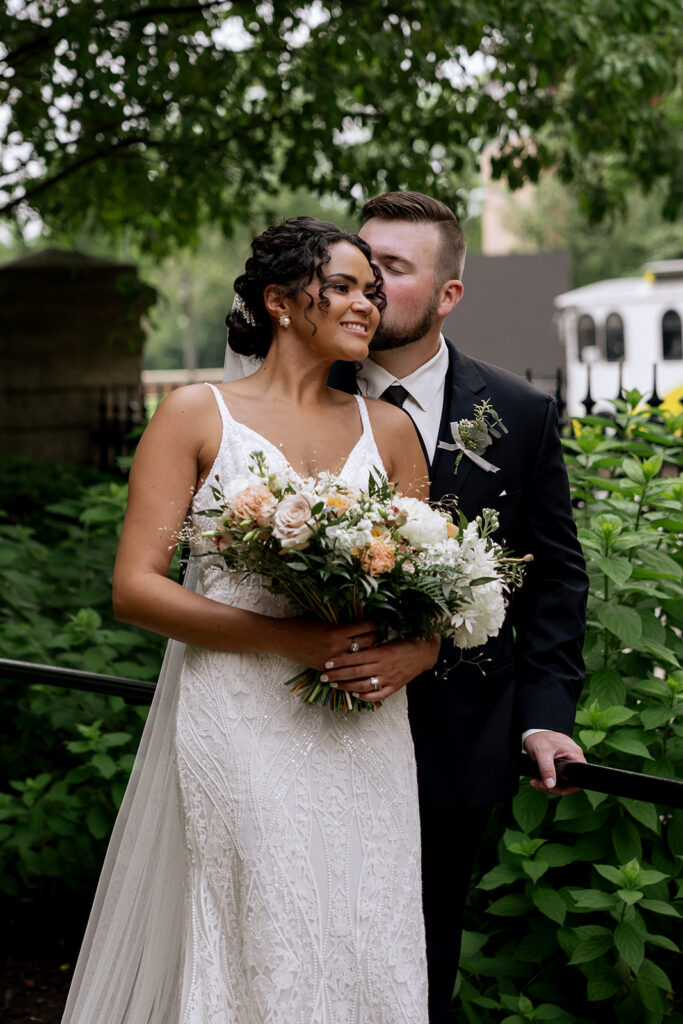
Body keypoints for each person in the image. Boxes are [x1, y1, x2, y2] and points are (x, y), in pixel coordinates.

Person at [61, 217, 439, 1024]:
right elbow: (134, 589)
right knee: (266, 917)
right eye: (340, 287)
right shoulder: (197, 416)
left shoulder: (393, 428)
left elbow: (427, 587)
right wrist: (288, 637)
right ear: (277, 301)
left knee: (370, 919)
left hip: (365, 720)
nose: (365, 305)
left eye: (371, 291)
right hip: (239, 715)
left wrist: (423, 649)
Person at [332, 191, 587, 1023]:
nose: (367, 287)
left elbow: (551, 580)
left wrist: (545, 714)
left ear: (448, 295)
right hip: (311, 733)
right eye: (360, 265)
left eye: (393, 270)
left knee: (419, 965)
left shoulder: (517, 413)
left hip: (456, 747)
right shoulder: (298, 398)